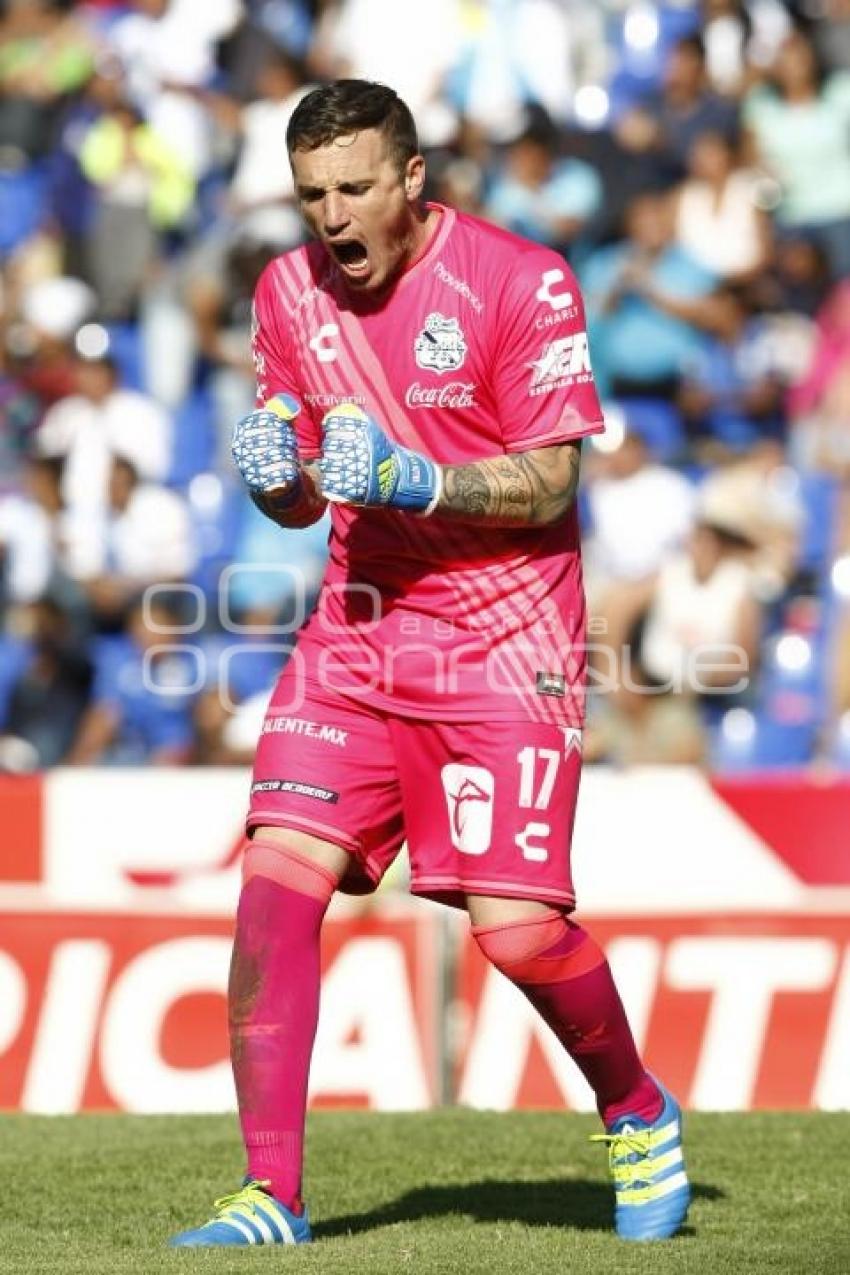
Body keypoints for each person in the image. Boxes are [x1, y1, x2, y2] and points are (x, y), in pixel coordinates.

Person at [169, 79, 690, 1251]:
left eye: (354, 188)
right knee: (274, 879)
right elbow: (308, 499)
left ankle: (635, 1108)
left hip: (503, 636)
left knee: (517, 932)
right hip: (356, 629)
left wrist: (417, 477)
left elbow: (552, 482)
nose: (332, 218)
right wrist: (274, 479)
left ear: (412, 179)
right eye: (312, 196)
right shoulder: (286, 291)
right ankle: (272, 1196)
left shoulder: (519, 280)